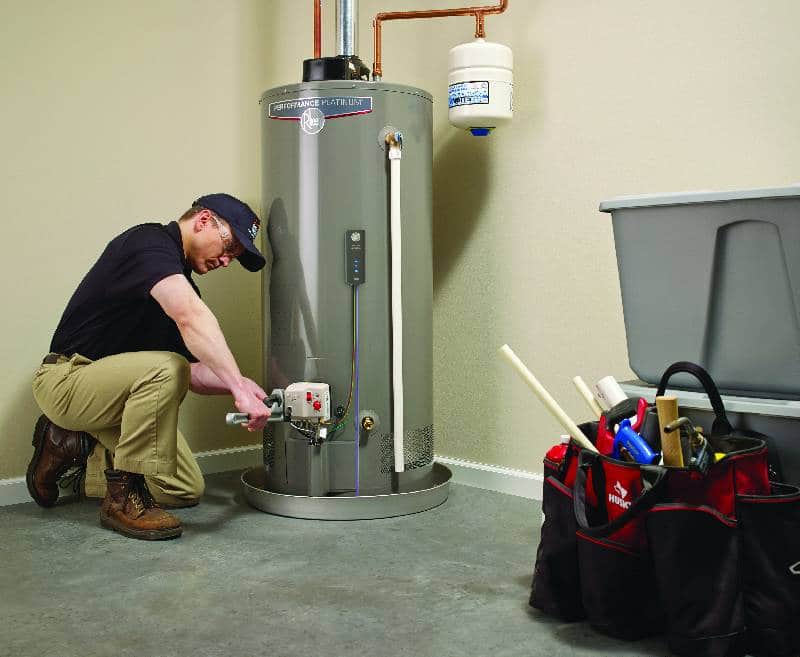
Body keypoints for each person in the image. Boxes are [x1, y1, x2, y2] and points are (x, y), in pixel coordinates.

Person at [27, 193, 271, 540]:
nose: (227, 260)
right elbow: (189, 320)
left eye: (235, 256)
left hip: (112, 400)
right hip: (67, 379)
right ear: (203, 220)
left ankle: (70, 444)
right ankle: (122, 501)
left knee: (184, 488)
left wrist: (242, 386)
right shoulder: (148, 243)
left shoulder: (178, 282)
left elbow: (192, 374)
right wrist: (236, 386)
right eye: (230, 246)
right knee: (166, 367)